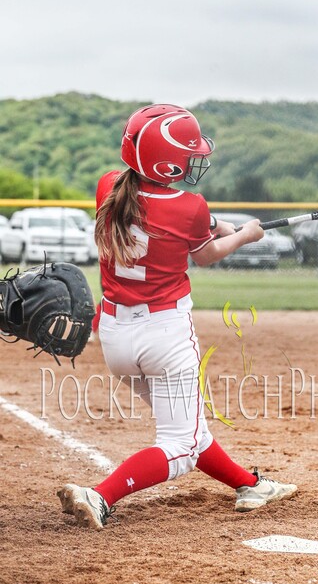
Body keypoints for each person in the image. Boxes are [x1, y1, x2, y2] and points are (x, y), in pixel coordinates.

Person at [57, 104, 297, 530]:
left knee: (189, 428)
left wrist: (217, 223)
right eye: (187, 155)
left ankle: (250, 486)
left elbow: (177, 220)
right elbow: (205, 254)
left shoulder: (109, 187)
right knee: (180, 445)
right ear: (165, 162)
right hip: (164, 338)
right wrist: (245, 235)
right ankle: (100, 495)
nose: (192, 160)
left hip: (115, 338)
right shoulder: (191, 207)